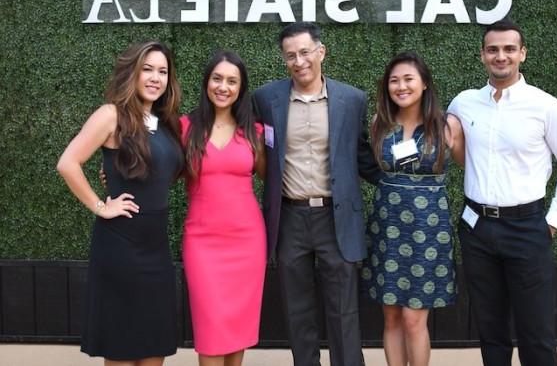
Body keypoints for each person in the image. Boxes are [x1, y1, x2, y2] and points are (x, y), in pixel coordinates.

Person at [447, 19, 557, 366]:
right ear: (481, 55)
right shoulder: (464, 103)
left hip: (527, 229)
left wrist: (552, 221)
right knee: (491, 332)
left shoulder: (546, 106)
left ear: (522, 53)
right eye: (493, 49)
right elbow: (453, 147)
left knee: (535, 332)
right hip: (477, 228)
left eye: (509, 48)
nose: (501, 56)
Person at [252, 22, 382, 366]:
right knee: (297, 311)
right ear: (284, 60)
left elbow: (361, 155)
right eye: (291, 55)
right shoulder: (266, 99)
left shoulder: (352, 99)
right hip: (289, 217)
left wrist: (404, 178)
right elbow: (244, 145)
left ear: (321, 52)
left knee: (344, 312)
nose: (299, 61)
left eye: (305, 52)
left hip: (336, 216)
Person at [57, 41, 183, 366]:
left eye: (163, 71)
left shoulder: (166, 122)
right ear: (133, 72)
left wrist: (115, 171)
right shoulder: (111, 115)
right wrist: (101, 205)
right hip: (119, 249)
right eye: (148, 69)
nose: (156, 78)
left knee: (155, 348)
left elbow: (165, 172)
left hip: (156, 251)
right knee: (123, 350)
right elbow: (68, 163)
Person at [361, 52, 464, 366]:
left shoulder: (447, 125)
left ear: (424, 84)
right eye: (394, 80)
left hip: (428, 233)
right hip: (387, 228)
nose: (401, 86)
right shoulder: (381, 123)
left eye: (408, 79)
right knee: (391, 316)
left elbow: (476, 171)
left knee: (413, 319)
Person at [181, 51, 267, 366]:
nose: (223, 86)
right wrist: (117, 174)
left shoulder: (255, 132)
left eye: (232, 81)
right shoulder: (185, 128)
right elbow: (159, 169)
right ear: (206, 82)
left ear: (241, 88)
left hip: (247, 241)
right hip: (202, 242)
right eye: (217, 78)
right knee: (212, 330)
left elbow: (274, 178)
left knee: (237, 330)